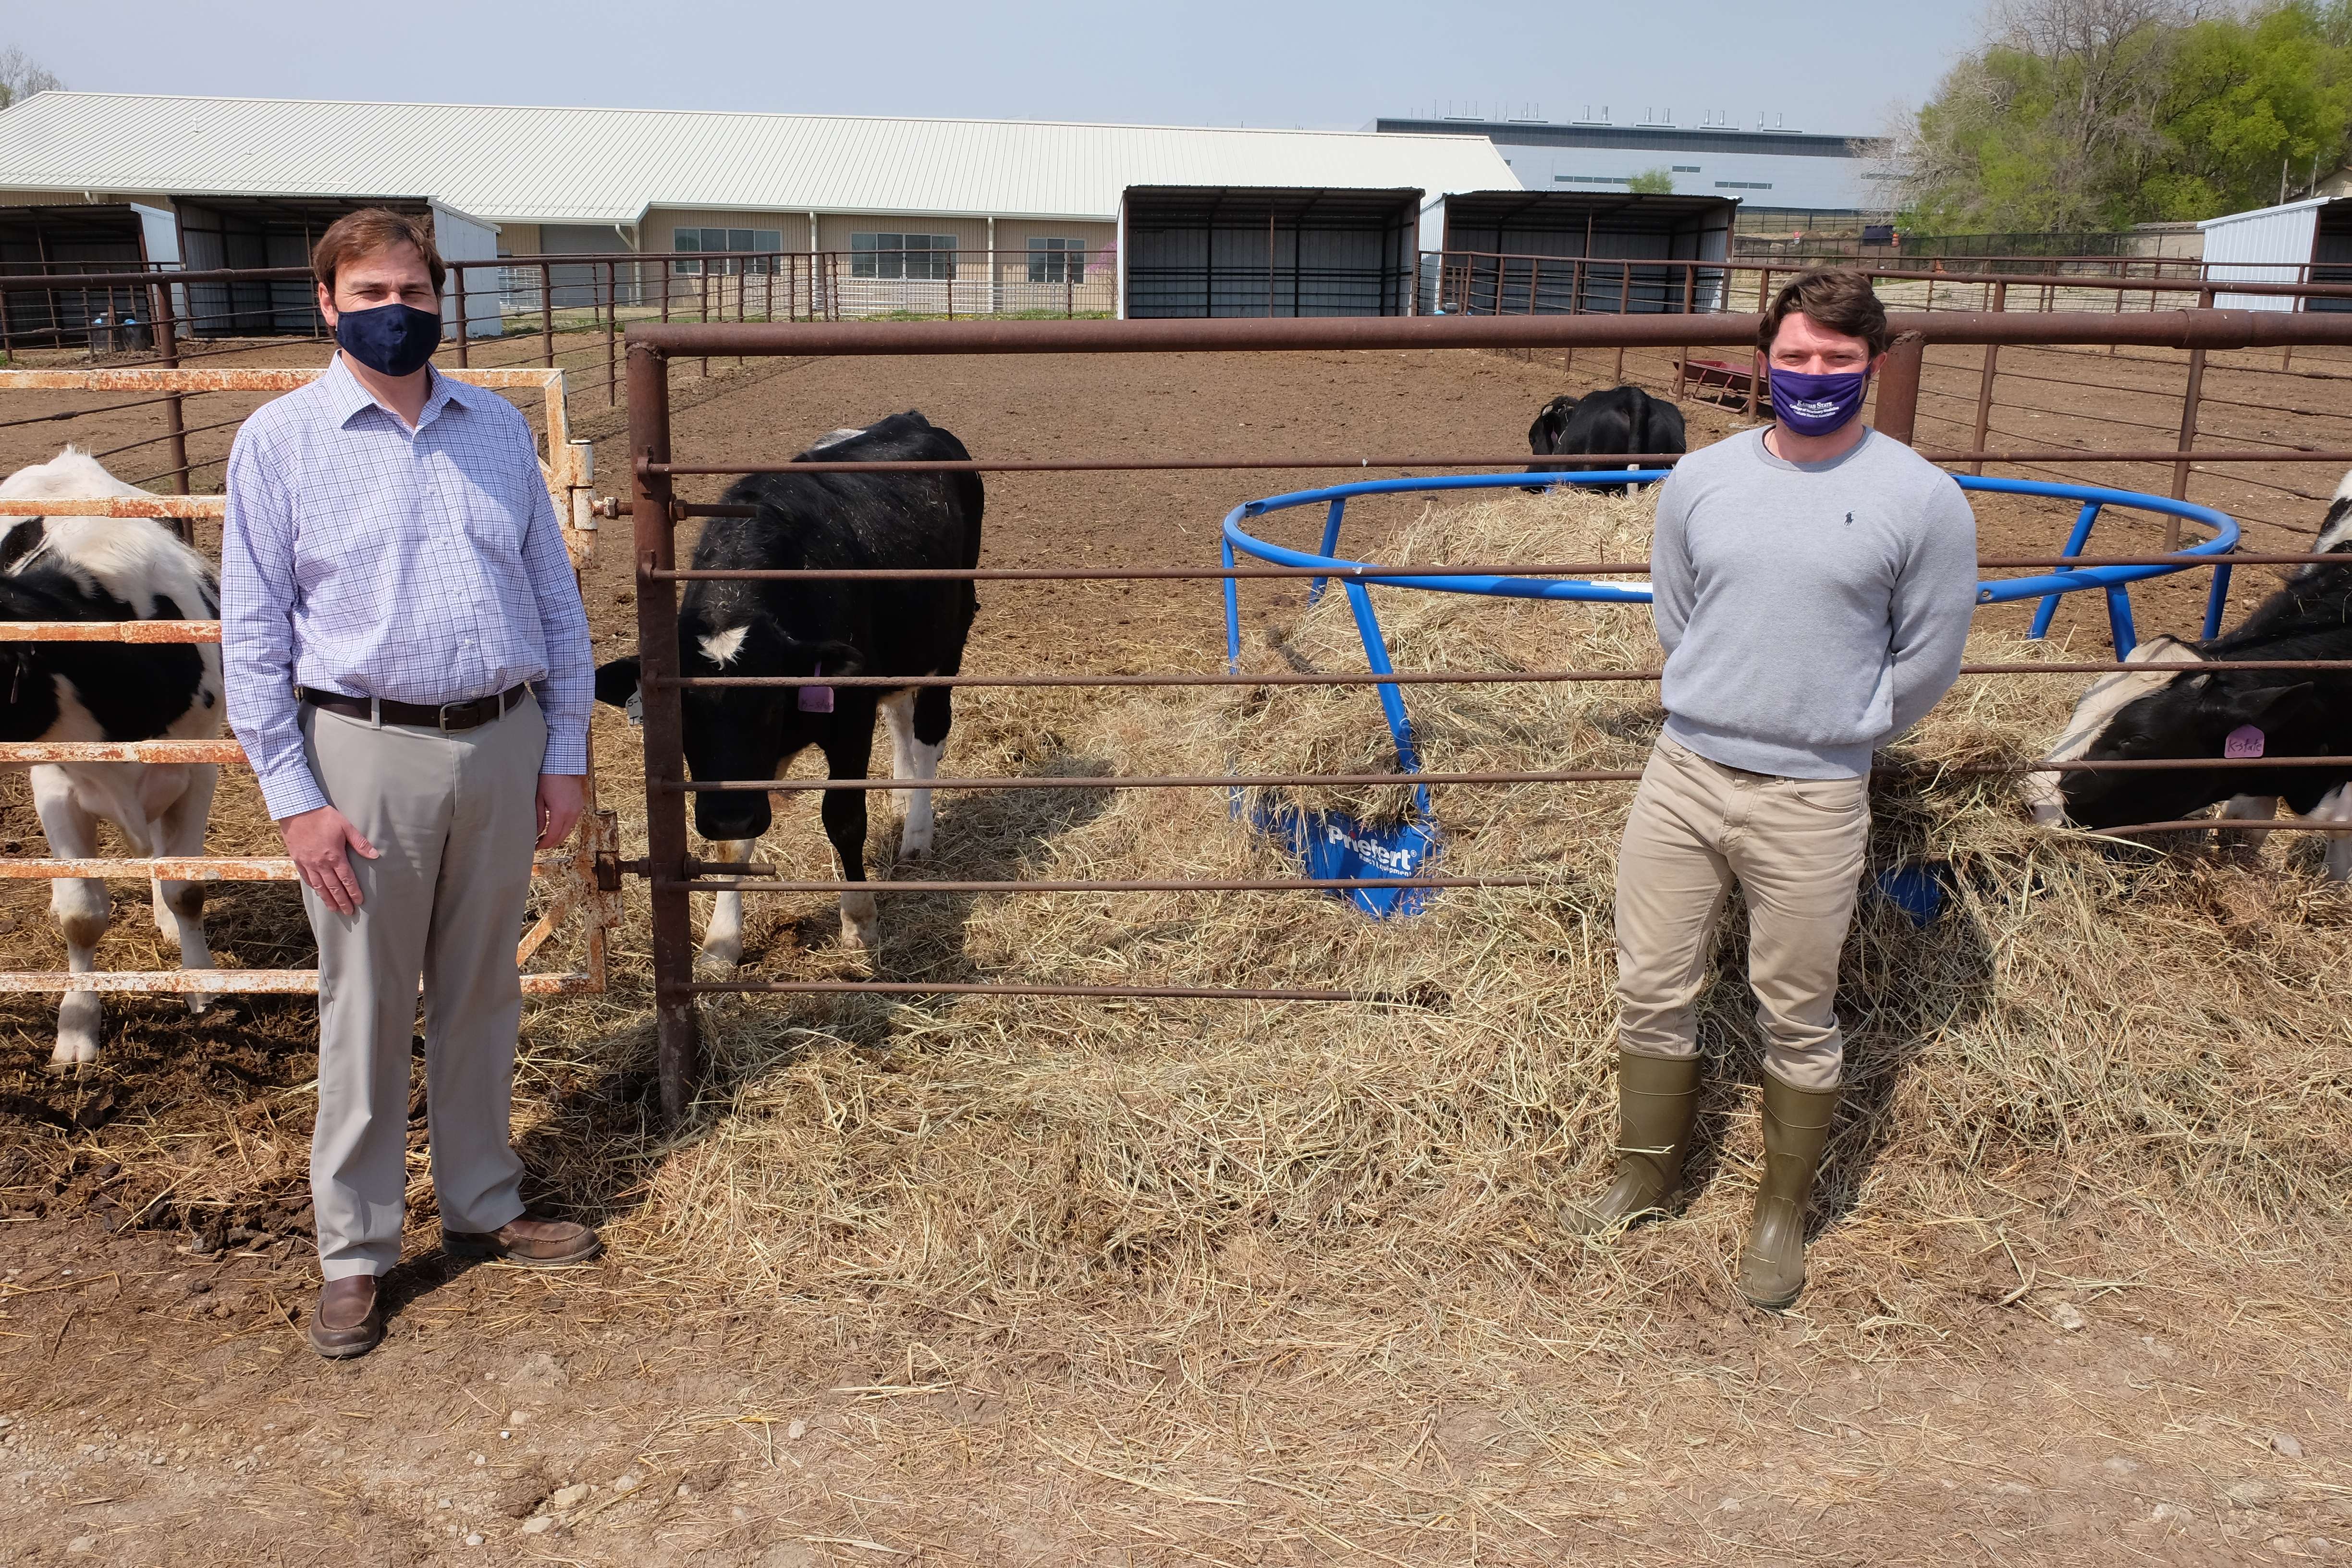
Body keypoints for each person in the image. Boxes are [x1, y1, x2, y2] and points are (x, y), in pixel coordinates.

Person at [220, 209, 599, 1360]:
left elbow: (556, 605)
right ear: (327, 304)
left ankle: (486, 1199)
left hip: (501, 736)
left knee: (486, 985)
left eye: (415, 290)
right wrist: (295, 796)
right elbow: (250, 639)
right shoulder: (279, 443)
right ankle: (356, 1248)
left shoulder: (495, 429)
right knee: (369, 1004)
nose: (397, 309)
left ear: (443, 299)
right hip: (364, 752)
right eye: (371, 291)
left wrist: (566, 750)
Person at [1574, 269, 1977, 1310]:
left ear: (1873, 366)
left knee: (1795, 1007)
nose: (1813, 375)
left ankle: (1779, 1212)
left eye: (1838, 361)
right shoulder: (1702, 481)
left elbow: (1928, 658)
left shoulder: (1921, 499)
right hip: (1685, 774)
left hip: (1813, 797)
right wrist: (1726, 701)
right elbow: (1681, 617)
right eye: (1795, 357)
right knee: (1653, 984)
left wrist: (1836, 730)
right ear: (1766, 360)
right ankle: (1645, 1174)